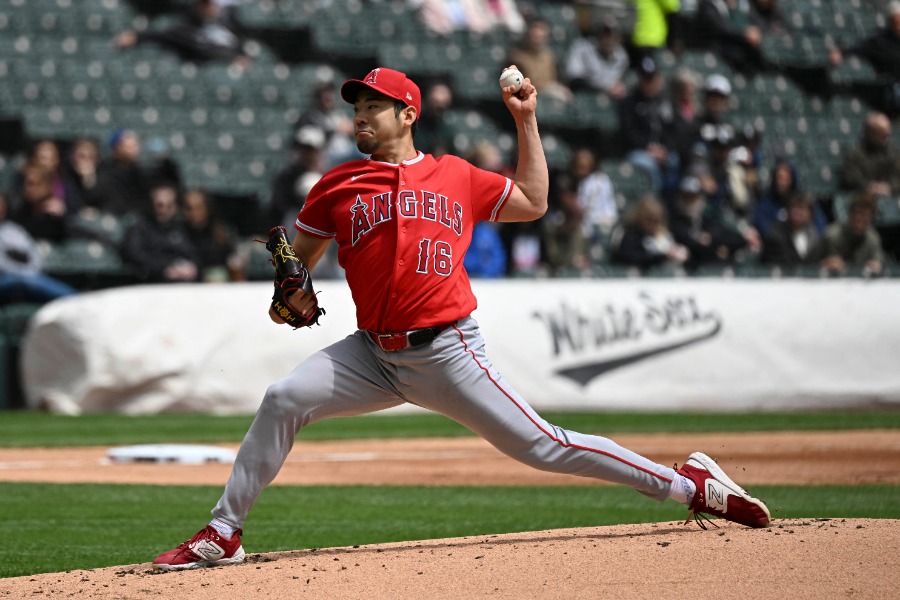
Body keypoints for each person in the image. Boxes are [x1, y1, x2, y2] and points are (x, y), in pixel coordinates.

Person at [150, 65, 770, 571]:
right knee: (284, 397)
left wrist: (525, 120)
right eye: (356, 107)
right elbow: (298, 275)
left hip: (447, 351)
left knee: (544, 446)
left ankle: (687, 484)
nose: (360, 116)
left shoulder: (454, 175)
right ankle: (224, 531)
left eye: (374, 106)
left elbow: (532, 202)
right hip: (372, 354)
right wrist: (290, 297)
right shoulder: (337, 184)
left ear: (407, 114)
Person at [114, 0, 249, 67]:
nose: (212, 8)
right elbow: (159, 35)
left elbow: (240, 47)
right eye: (206, 5)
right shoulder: (184, 31)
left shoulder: (225, 27)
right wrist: (136, 36)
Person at [618, 56, 681, 197]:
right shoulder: (630, 102)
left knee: (675, 161)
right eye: (646, 79)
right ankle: (655, 200)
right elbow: (628, 132)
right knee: (649, 166)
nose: (650, 83)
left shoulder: (668, 101)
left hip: (663, 150)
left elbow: (677, 130)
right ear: (640, 80)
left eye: (653, 78)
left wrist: (666, 149)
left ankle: (670, 201)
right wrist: (648, 147)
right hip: (638, 151)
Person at [0, 192, 77, 305]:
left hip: (27, 277)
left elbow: (35, 257)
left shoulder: (15, 230)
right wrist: (23, 273)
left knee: (35, 280)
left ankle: (77, 300)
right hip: (6, 279)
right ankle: (75, 301)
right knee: (27, 281)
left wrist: (28, 272)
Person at [119, 183, 201, 283]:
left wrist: (192, 267)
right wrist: (165, 269)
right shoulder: (140, 226)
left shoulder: (182, 227)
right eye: (160, 205)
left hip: (183, 282)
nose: (163, 210)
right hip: (150, 282)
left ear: (176, 206)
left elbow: (194, 253)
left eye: (169, 205)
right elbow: (134, 254)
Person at [669, 174, 751, 272]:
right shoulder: (674, 223)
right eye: (686, 198)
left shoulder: (708, 222)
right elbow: (689, 243)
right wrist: (714, 247)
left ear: (701, 199)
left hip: (714, 275)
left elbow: (736, 239)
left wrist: (712, 240)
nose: (690, 203)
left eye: (694, 198)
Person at [609, 194, 689, 272]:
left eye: (657, 220)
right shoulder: (628, 234)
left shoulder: (662, 235)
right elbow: (627, 257)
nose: (654, 224)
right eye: (650, 219)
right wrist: (661, 257)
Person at [292, 82, 360, 170]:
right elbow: (311, 141)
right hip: (326, 157)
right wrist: (336, 129)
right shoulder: (310, 116)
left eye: (330, 96)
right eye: (325, 97)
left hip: (346, 152)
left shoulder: (336, 114)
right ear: (318, 98)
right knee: (361, 155)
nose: (329, 99)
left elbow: (349, 129)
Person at [182, 188, 245, 282]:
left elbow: (232, 260)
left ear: (208, 208)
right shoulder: (178, 233)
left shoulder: (220, 233)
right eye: (189, 208)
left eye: (198, 208)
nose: (194, 213)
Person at [507, 17, 572, 102]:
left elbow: (554, 80)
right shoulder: (517, 57)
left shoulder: (549, 56)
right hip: (530, 96)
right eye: (534, 30)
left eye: (541, 30)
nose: (538, 35)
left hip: (550, 94)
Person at [838, 111, 900, 199]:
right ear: (870, 133)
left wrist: (888, 188)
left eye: (887, 135)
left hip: (890, 197)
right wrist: (869, 187)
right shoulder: (855, 153)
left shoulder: (893, 153)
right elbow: (850, 178)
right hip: (861, 198)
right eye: (882, 136)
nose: (887, 140)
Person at [820, 194, 885, 277]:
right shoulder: (833, 234)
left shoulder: (872, 238)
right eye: (857, 213)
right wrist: (827, 262)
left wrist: (877, 265)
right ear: (850, 214)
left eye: (865, 215)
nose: (860, 218)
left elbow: (878, 261)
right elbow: (812, 263)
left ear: (871, 218)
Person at [564, 17, 630, 99]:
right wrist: (605, 89)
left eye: (613, 36)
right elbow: (574, 81)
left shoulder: (621, 55)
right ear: (599, 35)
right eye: (606, 35)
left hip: (608, 100)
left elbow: (620, 83)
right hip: (582, 97)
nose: (609, 40)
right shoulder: (582, 48)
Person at [759, 191, 824, 273]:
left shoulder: (814, 234)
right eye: (793, 207)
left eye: (801, 208)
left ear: (810, 214)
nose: (797, 212)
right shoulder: (776, 233)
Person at [94, 129, 153, 217]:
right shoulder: (104, 170)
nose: (134, 150)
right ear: (116, 148)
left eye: (135, 146)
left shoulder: (141, 173)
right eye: (129, 147)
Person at [9, 161, 70, 243]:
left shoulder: (58, 217)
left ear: (47, 185)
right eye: (24, 183)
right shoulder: (19, 211)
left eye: (32, 184)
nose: (26, 188)